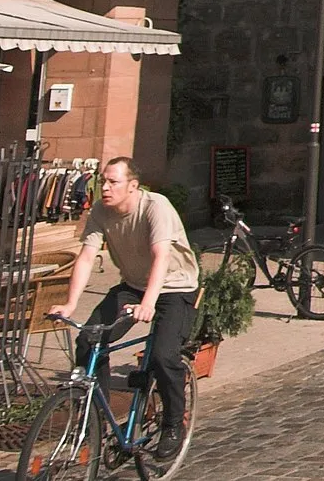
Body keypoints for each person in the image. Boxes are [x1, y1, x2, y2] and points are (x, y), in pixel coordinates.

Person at [54, 158, 199, 463]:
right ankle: (98, 421)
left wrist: (148, 303)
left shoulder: (154, 206)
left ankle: (174, 423)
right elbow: (86, 257)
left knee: (163, 355)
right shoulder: (100, 211)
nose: (105, 187)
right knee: (90, 339)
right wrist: (70, 304)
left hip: (175, 287)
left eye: (113, 182)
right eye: (103, 181)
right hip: (133, 285)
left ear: (133, 185)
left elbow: (161, 255)